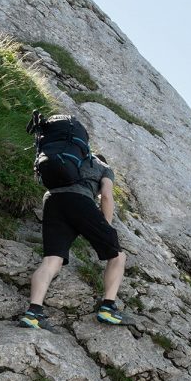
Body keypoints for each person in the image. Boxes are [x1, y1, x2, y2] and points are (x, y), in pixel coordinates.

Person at [19, 136, 128, 329]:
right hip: (80, 200)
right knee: (118, 256)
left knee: (52, 260)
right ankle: (108, 308)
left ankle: (33, 313)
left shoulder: (69, 160)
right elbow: (106, 196)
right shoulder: (103, 166)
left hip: (52, 200)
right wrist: (106, 228)